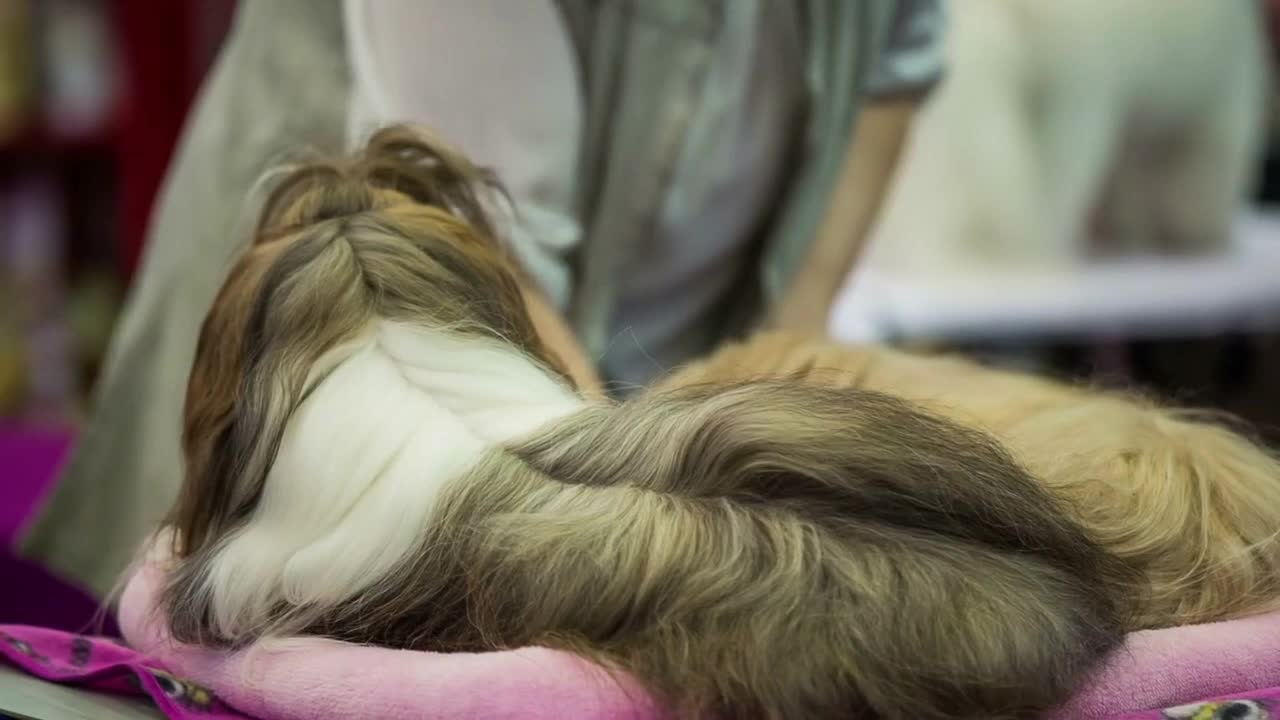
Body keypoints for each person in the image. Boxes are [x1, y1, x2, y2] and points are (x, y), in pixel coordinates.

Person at [22, 0, 945, 596]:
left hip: (633, 376)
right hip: (419, 335)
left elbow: (896, 60)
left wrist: (784, 359)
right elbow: (501, 244)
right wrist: (632, 515)